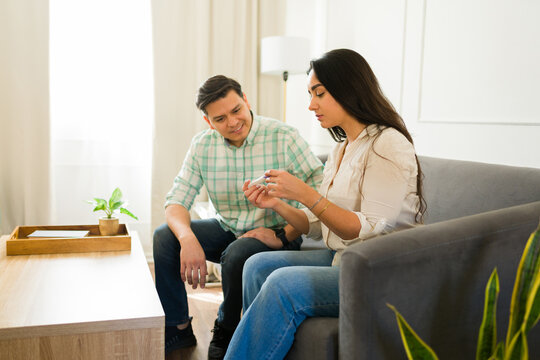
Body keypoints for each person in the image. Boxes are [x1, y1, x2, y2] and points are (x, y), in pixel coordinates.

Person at [224, 49, 427, 359]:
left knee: (281, 284)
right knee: (256, 265)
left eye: (319, 93)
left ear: (349, 88)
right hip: (342, 258)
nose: (310, 104)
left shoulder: (388, 143)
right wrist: (277, 203)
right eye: (310, 94)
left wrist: (305, 192)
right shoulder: (342, 148)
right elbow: (318, 225)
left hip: (378, 269)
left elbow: (365, 228)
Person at [152, 75, 324, 359]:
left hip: (279, 234)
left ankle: (227, 328)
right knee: (164, 236)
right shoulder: (202, 145)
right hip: (228, 228)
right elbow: (176, 201)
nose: (232, 123)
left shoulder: (284, 137)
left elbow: (320, 195)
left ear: (246, 101)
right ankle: (178, 327)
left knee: (238, 252)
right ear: (209, 122)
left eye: (236, 111)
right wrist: (187, 239)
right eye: (220, 119)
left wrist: (284, 235)